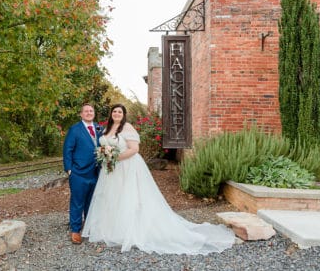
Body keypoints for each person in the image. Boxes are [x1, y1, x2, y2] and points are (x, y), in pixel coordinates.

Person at [82, 104, 236, 254]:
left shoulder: (127, 127)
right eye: (114, 111)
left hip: (126, 166)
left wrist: (114, 158)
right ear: (111, 114)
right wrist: (106, 157)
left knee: (128, 197)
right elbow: (103, 146)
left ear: (123, 115)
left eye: (119, 112)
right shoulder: (106, 128)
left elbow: (134, 149)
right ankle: (111, 228)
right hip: (110, 170)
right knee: (112, 197)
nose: (116, 114)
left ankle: (129, 230)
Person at [63, 103, 102, 244]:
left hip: (96, 172)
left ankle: (89, 227)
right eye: (86, 111)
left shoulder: (99, 128)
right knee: (77, 202)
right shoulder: (74, 129)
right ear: (81, 114)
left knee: (91, 202)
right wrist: (69, 169)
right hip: (78, 172)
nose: (89, 113)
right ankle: (75, 230)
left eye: (91, 111)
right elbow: (67, 150)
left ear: (94, 113)